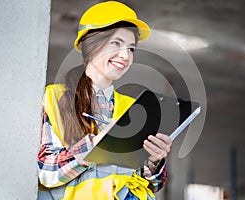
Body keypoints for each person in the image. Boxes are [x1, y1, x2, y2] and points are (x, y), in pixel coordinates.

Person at [38, 1, 172, 199]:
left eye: (131, 48)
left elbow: (152, 185)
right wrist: (94, 146)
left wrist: (154, 160)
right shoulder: (54, 98)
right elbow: (46, 174)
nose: (125, 55)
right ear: (91, 45)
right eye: (116, 43)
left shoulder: (133, 107)